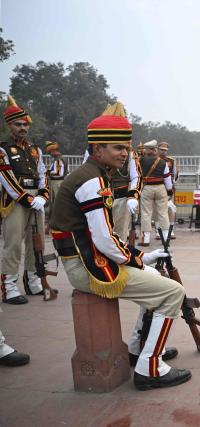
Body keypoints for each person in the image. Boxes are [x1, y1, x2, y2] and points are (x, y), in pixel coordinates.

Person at [49, 102, 189, 390]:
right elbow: (104, 239)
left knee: (156, 282)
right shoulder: (93, 182)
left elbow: (103, 237)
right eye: (117, 148)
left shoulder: (92, 174)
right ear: (97, 150)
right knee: (174, 292)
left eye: (125, 147)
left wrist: (141, 259)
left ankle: (139, 349)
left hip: (88, 260)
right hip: (87, 268)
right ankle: (151, 369)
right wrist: (139, 258)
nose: (124, 153)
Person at [0, 96, 49, 303]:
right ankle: (9, 286)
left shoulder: (35, 150)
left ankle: (33, 280)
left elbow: (43, 173)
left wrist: (43, 195)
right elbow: (6, 178)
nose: (23, 128)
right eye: (18, 124)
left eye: (25, 124)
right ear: (10, 125)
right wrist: (28, 199)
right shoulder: (3, 149)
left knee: (36, 243)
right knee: (13, 244)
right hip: (15, 202)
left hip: (36, 199)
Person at [139, 140, 172, 246]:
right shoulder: (162, 162)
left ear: (148, 150)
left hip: (147, 188)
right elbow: (167, 178)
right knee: (163, 213)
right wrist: (169, 191)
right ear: (155, 150)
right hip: (160, 188)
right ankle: (166, 238)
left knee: (146, 213)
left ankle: (146, 239)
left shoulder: (141, 160)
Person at [158, 141, 178, 239]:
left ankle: (171, 229)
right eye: (161, 150)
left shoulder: (172, 160)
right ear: (158, 149)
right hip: (158, 186)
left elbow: (175, 174)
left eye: (165, 150)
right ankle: (158, 230)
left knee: (171, 208)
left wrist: (172, 183)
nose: (163, 152)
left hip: (169, 187)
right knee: (157, 209)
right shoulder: (155, 160)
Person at [45, 140, 68, 222]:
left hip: (57, 183)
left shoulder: (58, 159)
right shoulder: (58, 159)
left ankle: (56, 221)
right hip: (58, 183)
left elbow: (58, 173)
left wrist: (47, 172)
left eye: (50, 152)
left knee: (56, 203)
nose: (50, 154)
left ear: (53, 151)